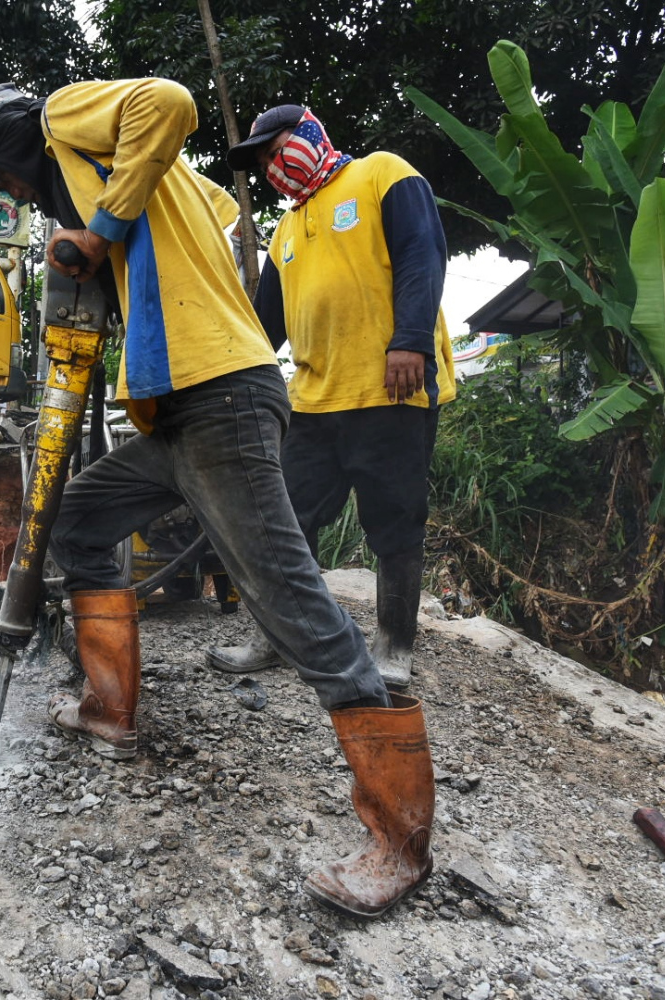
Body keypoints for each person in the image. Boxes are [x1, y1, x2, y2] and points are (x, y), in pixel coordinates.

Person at [0, 78, 435, 918]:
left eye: (4, 179)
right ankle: (110, 708)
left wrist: (100, 235)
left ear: (11, 139)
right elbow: (209, 201)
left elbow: (170, 103)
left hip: (220, 398)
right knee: (81, 521)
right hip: (176, 408)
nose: (17, 197)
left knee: (287, 597)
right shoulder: (134, 173)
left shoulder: (64, 114)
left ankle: (400, 839)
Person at [209, 106, 457, 691]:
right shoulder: (285, 231)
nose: (273, 167)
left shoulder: (381, 174)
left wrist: (411, 341)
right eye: (264, 162)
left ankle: (394, 646)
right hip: (314, 401)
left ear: (310, 134)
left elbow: (424, 255)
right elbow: (264, 323)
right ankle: (281, 637)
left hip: (391, 390)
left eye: (276, 151)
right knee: (285, 522)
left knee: (394, 524)